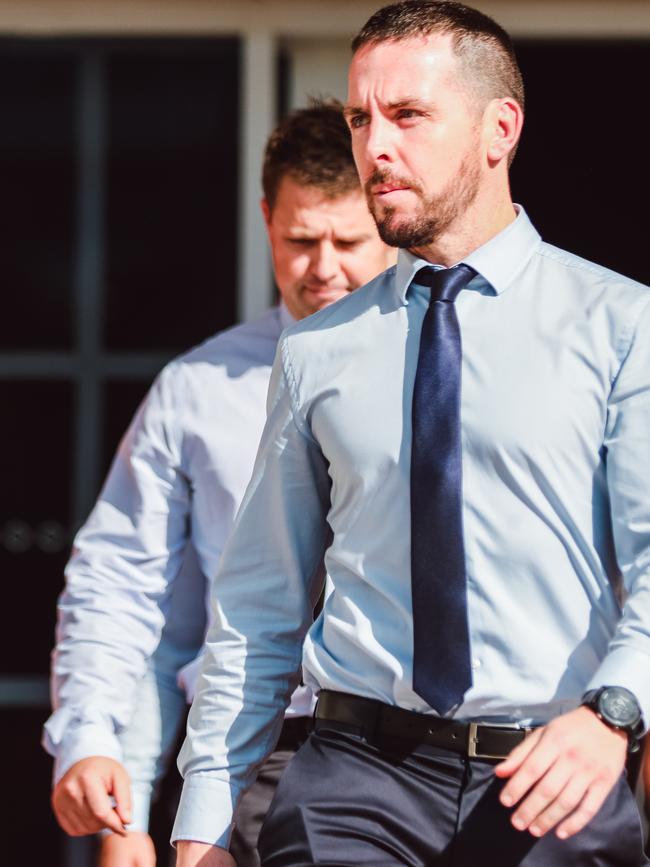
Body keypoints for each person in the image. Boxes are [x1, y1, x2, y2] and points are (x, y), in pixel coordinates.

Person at [171, 2, 650, 866]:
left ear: (499, 128)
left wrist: (615, 711)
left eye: (407, 115)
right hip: (354, 776)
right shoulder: (315, 348)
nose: (373, 147)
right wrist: (203, 820)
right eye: (361, 117)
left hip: (552, 771)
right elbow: (258, 601)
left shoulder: (622, 326)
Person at [43, 99, 394, 867]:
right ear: (266, 218)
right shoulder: (196, 390)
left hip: (421, 755)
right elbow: (131, 591)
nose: (324, 267)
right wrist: (117, 786)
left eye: (349, 239)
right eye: (301, 240)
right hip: (257, 762)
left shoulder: (447, 373)